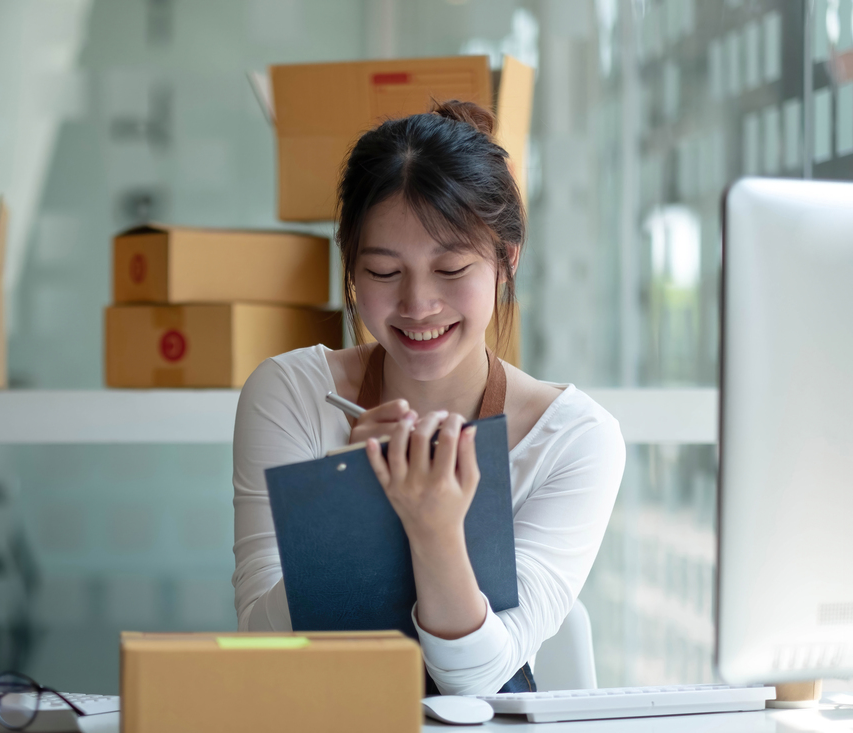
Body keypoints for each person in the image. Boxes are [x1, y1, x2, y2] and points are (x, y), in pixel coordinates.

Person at [231, 99, 626, 696]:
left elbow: (481, 675)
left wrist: (433, 529)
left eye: (450, 270)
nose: (418, 305)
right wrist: (350, 505)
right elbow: (260, 642)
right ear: (352, 269)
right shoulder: (290, 394)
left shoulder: (572, 439)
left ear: (505, 261)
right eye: (385, 274)